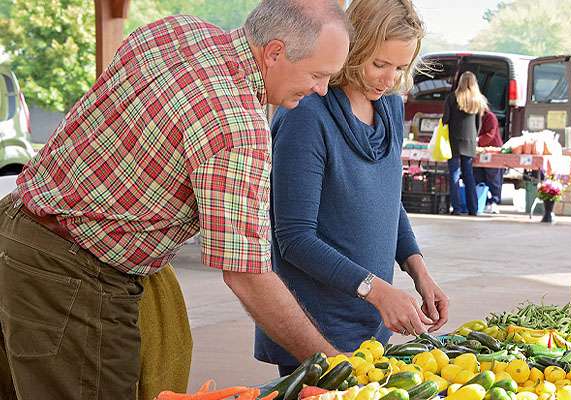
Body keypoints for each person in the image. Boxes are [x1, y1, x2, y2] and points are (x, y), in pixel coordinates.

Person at [0, 0, 350, 398]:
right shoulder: (237, 127)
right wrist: (332, 365)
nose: (321, 90)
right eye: (318, 75)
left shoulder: (176, 31)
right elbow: (247, 274)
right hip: (70, 275)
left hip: (16, 228)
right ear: (274, 52)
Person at [254, 0, 449, 376]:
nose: (389, 79)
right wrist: (376, 290)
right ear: (350, 47)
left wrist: (418, 270)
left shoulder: (390, 105)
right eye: (379, 64)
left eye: (400, 68)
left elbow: (388, 200)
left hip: (373, 325)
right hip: (313, 327)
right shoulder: (307, 115)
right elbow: (294, 238)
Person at [443, 72, 486, 216]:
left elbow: (445, 119)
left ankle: (456, 208)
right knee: (469, 176)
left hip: (454, 141)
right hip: (470, 142)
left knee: (454, 175)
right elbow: (478, 124)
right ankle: (473, 208)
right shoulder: (478, 100)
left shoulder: (452, 97)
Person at [473, 107, 504, 214]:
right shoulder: (476, 117)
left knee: (493, 177)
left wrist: (477, 140)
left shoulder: (490, 116)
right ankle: (484, 201)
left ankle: (494, 202)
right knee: (480, 177)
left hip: (492, 150)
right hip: (480, 151)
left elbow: (490, 134)